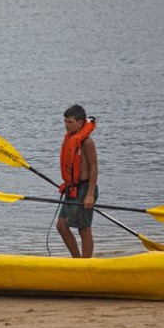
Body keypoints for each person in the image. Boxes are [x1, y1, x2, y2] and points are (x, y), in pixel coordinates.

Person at [55, 105, 98, 258]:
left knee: (84, 229)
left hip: (85, 189)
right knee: (61, 226)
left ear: (80, 123)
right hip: (71, 189)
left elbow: (94, 168)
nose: (66, 125)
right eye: (65, 122)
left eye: (70, 122)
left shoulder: (87, 142)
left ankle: (86, 264)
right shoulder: (70, 139)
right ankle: (77, 261)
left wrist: (90, 195)